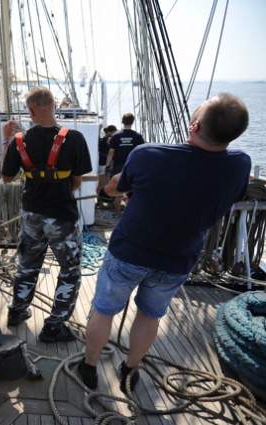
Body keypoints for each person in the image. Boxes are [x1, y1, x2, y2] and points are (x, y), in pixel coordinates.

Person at [79, 93, 251, 394]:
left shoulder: (148, 155)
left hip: (128, 253)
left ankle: (89, 366)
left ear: (194, 125)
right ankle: (130, 370)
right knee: (150, 315)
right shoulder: (240, 165)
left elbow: (113, 189)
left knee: (104, 310)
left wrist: (119, 189)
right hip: (177, 260)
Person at [1, 86, 93, 342]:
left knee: (28, 265)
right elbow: (76, 181)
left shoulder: (19, 141)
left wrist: (8, 140)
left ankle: (17, 312)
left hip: (32, 215)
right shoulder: (74, 139)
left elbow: (7, 178)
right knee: (69, 269)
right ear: (55, 106)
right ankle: (54, 326)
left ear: (31, 111)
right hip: (62, 215)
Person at [105, 113, 144, 216]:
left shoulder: (116, 136)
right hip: (134, 166)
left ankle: (117, 214)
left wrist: (107, 166)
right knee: (133, 191)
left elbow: (111, 153)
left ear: (122, 121)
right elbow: (142, 153)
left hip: (119, 165)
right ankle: (131, 214)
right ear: (132, 122)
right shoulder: (138, 136)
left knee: (119, 190)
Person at [96, 125, 118, 203]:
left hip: (101, 164)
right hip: (103, 164)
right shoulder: (107, 140)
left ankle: (100, 201)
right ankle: (101, 201)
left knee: (101, 184)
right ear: (109, 132)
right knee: (104, 183)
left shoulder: (103, 140)